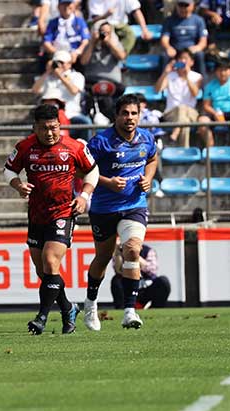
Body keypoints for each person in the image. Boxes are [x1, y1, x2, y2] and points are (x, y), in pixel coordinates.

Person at [4, 103, 99, 335]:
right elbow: (8, 170)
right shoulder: (25, 147)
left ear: (60, 125)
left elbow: (92, 170)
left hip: (63, 213)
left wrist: (84, 195)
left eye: (54, 128)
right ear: (35, 128)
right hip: (37, 215)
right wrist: (18, 185)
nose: (50, 133)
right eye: (44, 128)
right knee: (45, 272)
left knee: (50, 261)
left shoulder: (74, 146)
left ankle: (41, 318)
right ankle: (68, 308)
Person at [83, 94, 158, 331]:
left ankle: (130, 312)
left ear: (139, 115)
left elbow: (153, 159)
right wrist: (107, 182)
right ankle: (91, 305)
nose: (129, 118)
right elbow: (82, 171)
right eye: (125, 113)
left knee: (132, 250)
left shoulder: (147, 138)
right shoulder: (100, 142)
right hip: (104, 208)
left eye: (134, 113)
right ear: (116, 115)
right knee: (103, 258)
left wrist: (148, 178)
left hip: (134, 205)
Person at [32, 49, 90, 139]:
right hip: (49, 116)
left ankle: (87, 150)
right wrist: (47, 72)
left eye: (62, 62)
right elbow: (35, 90)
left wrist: (60, 76)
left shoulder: (76, 76)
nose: (59, 65)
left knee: (86, 122)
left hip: (71, 114)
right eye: (56, 62)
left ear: (69, 64)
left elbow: (74, 90)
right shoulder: (47, 77)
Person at [154, 48, 203, 147]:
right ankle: (184, 150)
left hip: (191, 113)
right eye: (180, 58)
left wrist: (186, 76)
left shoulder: (197, 76)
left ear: (192, 62)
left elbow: (195, 93)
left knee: (183, 109)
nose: (183, 61)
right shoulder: (170, 76)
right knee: (184, 119)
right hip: (171, 112)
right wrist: (165, 72)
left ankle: (175, 134)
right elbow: (158, 89)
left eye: (185, 58)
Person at [197, 58, 230, 148]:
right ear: (215, 72)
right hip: (215, 113)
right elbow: (206, 105)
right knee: (202, 121)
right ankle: (210, 149)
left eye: (225, 70)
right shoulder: (210, 86)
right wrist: (215, 113)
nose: (222, 73)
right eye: (220, 70)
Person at [110, 243, 171, 309]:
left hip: (145, 288)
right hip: (128, 288)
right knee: (116, 280)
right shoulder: (120, 251)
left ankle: (155, 309)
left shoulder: (148, 251)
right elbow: (118, 271)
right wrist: (118, 253)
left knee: (163, 281)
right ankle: (122, 309)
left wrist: (134, 255)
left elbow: (151, 271)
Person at [161, 0, 209, 76]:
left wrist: (197, 47)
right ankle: (162, 83)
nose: (183, 8)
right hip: (175, 50)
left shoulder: (199, 20)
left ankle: (203, 84)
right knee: (164, 56)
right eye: (180, 5)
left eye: (186, 5)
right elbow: (164, 39)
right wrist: (168, 47)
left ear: (192, 6)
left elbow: (203, 41)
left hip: (191, 51)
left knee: (200, 55)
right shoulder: (169, 20)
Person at [87, 0, 152, 54]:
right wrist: (106, 15)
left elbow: (136, 11)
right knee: (106, 30)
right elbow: (94, 20)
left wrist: (144, 30)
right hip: (102, 24)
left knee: (130, 34)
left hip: (121, 25)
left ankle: (123, 57)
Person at [40, 0, 89, 66]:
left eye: (69, 4)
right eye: (64, 4)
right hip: (58, 55)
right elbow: (47, 42)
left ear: (74, 6)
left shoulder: (79, 21)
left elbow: (85, 40)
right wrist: (59, 54)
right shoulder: (53, 23)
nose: (66, 7)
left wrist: (77, 52)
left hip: (75, 56)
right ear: (58, 7)